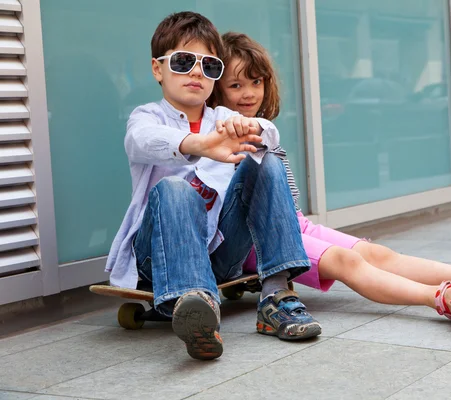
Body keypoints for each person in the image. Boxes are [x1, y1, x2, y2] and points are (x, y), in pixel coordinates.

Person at [209, 32, 451, 322]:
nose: (248, 93)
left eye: (256, 82)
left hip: (294, 223)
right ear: (217, 91)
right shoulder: (218, 138)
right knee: (346, 261)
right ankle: (438, 298)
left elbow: (288, 206)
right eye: (236, 85)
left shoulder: (264, 130)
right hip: (257, 240)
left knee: (378, 254)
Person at [106, 12, 322, 361]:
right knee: (175, 189)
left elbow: (270, 132)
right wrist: (201, 145)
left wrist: (246, 128)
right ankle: (196, 306)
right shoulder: (146, 116)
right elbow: (140, 141)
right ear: (158, 69)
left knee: (265, 159)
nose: (196, 71)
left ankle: (276, 297)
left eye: (209, 65)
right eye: (183, 61)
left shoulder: (223, 118)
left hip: (220, 254)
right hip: (158, 256)